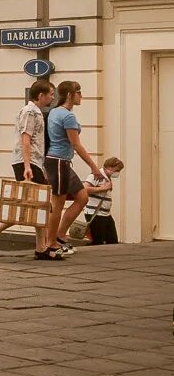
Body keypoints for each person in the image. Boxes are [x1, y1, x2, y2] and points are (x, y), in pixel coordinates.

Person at [0, 80, 58, 259]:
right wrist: (27, 167)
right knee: (39, 204)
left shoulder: (36, 112)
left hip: (33, 162)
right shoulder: (30, 112)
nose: (52, 97)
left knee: (34, 204)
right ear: (41, 95)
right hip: (27, 162)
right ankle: (41, 249)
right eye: (50, 94)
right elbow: (26, 139)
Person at [46, 80, 103, 257]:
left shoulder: (55, 112)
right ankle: (51, 242)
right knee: (58, 203)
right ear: (69, 95)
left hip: (59, 162)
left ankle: (60, 235)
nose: (81, 95)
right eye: (78, 92)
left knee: (82, 196)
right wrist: (94, 167)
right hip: (59, 162)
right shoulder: (68, 116)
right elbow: (76, 145)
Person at [83, 156, 124, 245]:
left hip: (105, 214)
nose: (117, 173)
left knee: (112, 240)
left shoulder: (107, 177)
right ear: (110, 168)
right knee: (98, 241)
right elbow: (85, 190)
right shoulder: (97, 175)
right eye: (117, 170)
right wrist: (103, 188)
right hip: (95, 214)